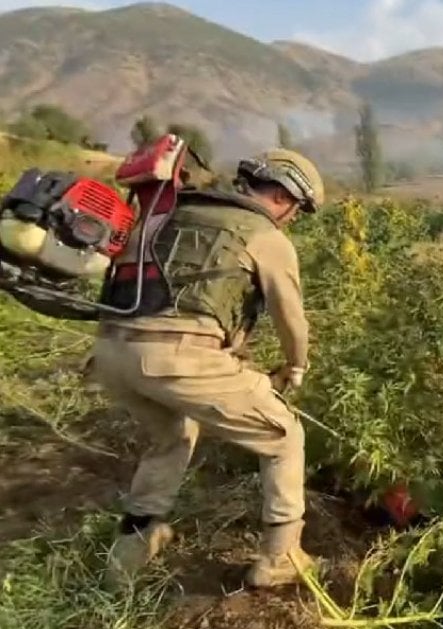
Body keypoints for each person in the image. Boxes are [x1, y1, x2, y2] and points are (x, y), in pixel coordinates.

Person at [89, 148, 325, 589]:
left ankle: (128, 557)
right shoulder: (265, 236)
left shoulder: (173, 213)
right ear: (283, 193)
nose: (294, 218)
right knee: (282, 436)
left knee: (173, 437)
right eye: (298, 208)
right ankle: (281, 556)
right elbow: (291, 318)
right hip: (170, 357)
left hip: (111, 352)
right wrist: (295, 367)